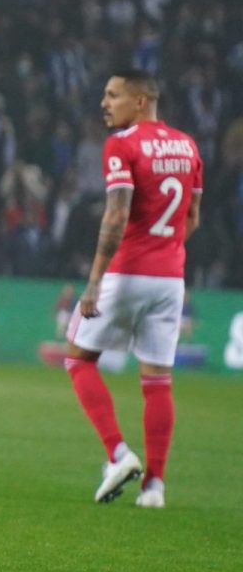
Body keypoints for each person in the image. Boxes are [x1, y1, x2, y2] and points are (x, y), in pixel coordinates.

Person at [64, 69, 202, 509]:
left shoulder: (122, 145)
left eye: (113, 95)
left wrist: (94, 281)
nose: (105, 103)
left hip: (126, 272)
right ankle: (155, 488)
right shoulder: (188, 145)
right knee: (158, 380)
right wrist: (167, 252)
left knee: (78, 357)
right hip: (170, 277)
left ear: (140, 100)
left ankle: (118, 454)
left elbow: (116, 215)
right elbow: (192, 215)